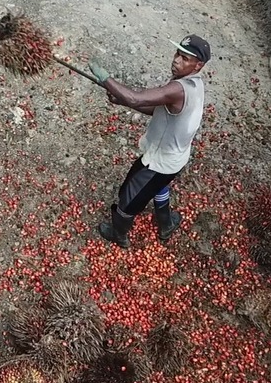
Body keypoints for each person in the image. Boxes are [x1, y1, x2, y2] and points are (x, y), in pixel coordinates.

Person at [89, 34, 210, 248]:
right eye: (177, 54)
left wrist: (105, 79)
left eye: (184, 58)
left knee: (129, 196)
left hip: (160, 161)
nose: (176, 60)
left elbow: (136, 97)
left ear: (198, 65)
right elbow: (157, 110)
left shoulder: (177, 90)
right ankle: (165, 223)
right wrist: (123, 102)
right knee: (159, 186)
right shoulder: (194, 85)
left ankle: (119, 234)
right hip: (177, 157)